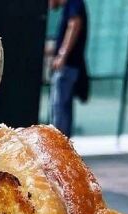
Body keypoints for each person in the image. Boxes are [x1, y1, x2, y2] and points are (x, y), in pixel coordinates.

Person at [48, 0, 89, 138]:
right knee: (63, 108)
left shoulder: (73, 3)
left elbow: (75, 24)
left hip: (67, 67)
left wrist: (61, 55)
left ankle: (58, 144)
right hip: (69, 66)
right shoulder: (69, 6)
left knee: (59, 109)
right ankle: (62, 144)